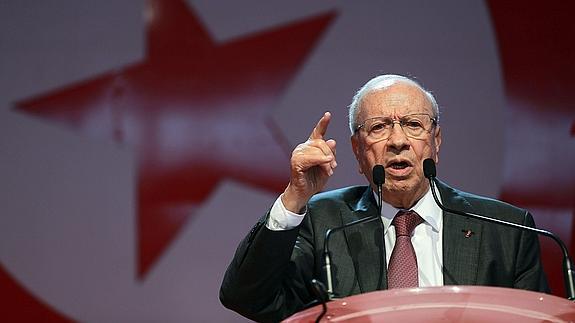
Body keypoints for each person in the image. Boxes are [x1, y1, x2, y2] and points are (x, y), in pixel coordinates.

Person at [219, 74, 549, 322]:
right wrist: (295, 196)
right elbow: (247, 296)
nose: (398, 141)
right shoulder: (321, 223)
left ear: (436, 141)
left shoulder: (506, 229)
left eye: (413, 124)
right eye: (378, 128)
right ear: (357, 150)